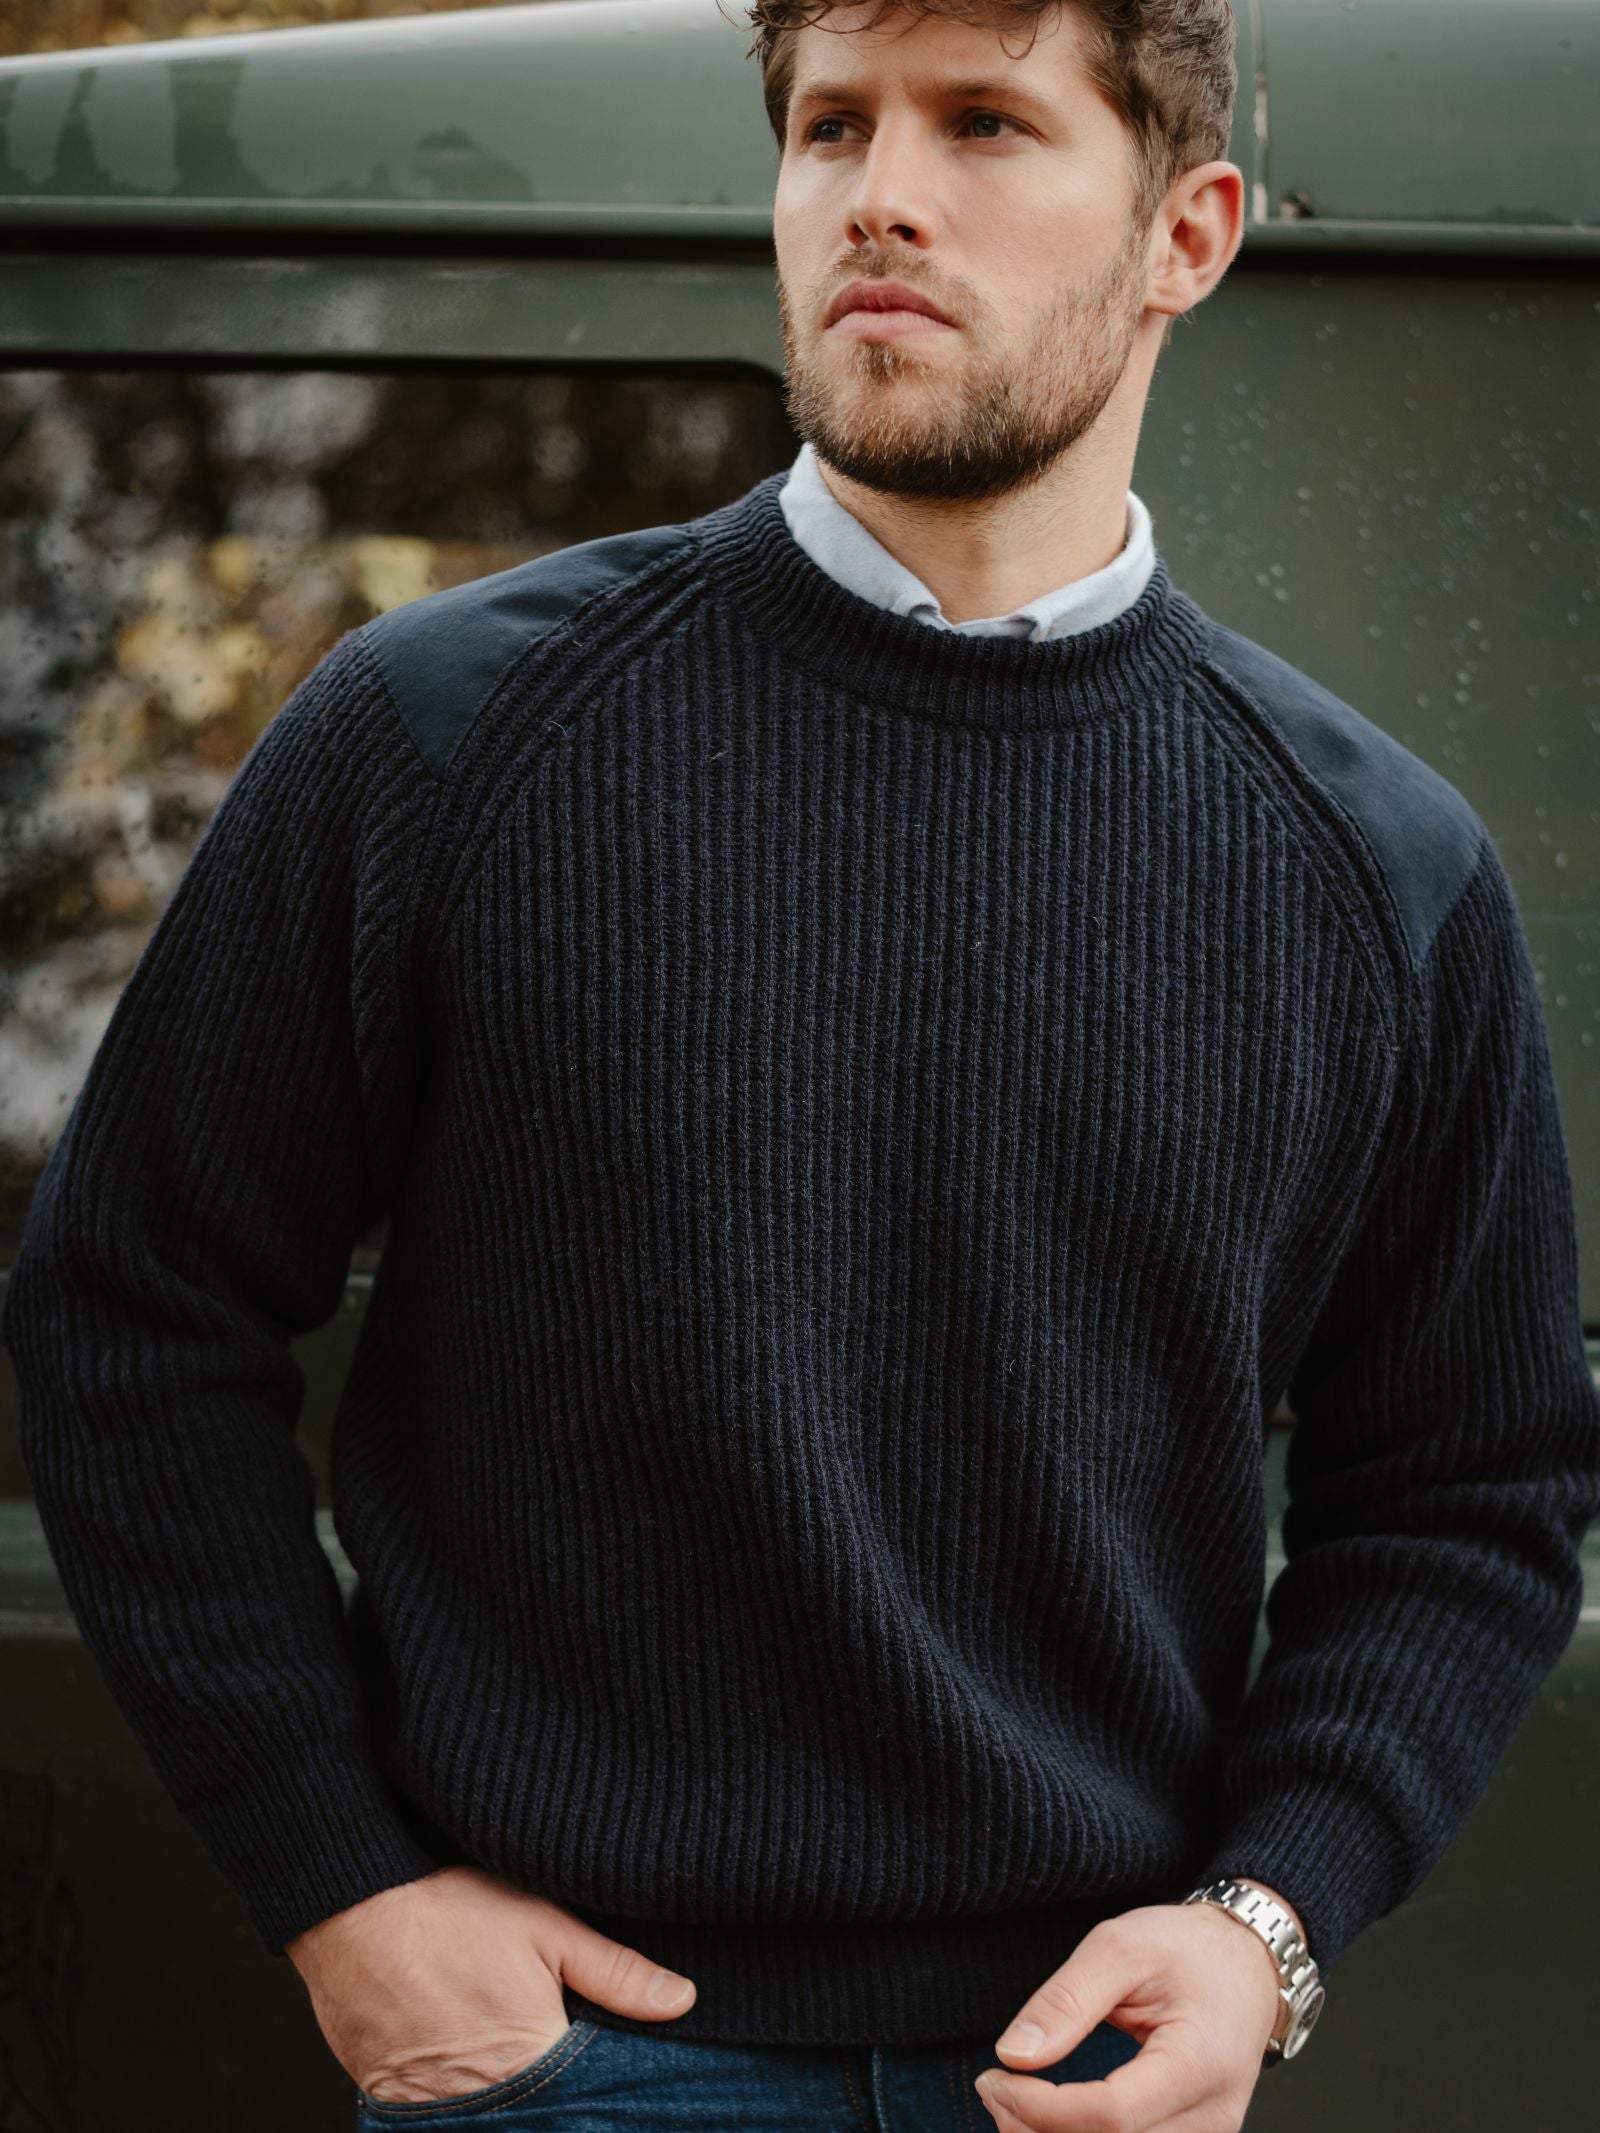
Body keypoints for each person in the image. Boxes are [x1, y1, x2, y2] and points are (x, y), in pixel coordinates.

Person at [6, 2, 1598, 2129]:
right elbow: (130, 1309)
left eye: (982, 125)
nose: (879, 194)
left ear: (1184, 236)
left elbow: (1472, 1479)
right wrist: (343, 1883)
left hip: (1078, 2077)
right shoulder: (438, 741)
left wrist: (1265, 1919)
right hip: (569, 2066)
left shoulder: (1373, 865)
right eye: (827, 124)